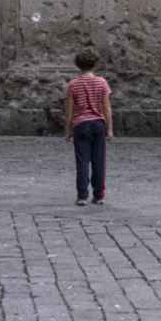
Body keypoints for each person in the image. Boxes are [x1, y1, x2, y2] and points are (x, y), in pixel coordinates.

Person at [64, 49, 112, 205]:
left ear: (78, 65)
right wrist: (110, 129)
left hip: (81, 125)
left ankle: (82, 196)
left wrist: (68, 131)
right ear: (95, 65)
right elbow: (107, 108)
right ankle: (99, 195)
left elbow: (70, 112)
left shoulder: (73, 84)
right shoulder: (102, 82)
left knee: (82, 161)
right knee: (99, 161)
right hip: (98, 124)